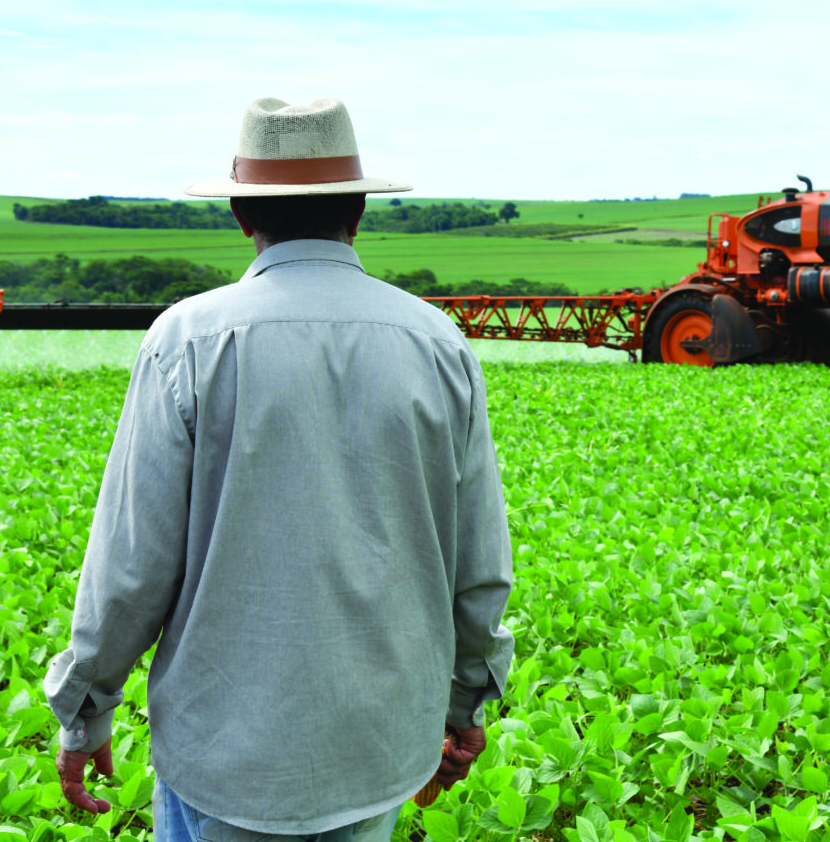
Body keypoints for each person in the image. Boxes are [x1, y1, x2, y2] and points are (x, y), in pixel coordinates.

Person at [44, 96, 515, 841]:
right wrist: (464, 707)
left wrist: (84, 709)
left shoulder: (188, 341)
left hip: (224, 751)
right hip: (379, 745)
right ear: (358, 211)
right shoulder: (437, 344)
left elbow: (130, 567)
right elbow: (480, 566)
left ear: (242, 214)